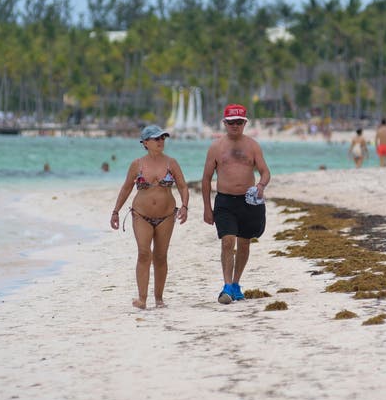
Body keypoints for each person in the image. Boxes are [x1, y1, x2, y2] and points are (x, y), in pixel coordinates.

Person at [110, 125, 189, 309]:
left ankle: (159, 298)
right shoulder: (137, 164)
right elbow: (126, 188)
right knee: (144, 253)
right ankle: (142, 299)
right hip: (141, 215)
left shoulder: (172, 163)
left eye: (163, 138)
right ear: (145, 143)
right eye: (156, 139)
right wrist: (116, 211)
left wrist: (185, 206)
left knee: (161, 256)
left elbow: (183, 187)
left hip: (167, 216)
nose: (161, 141)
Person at [202, 104, 270, 305]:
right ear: (225, 123)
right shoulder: (216, 147)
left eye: (239, 122)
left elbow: (265, 171)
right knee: (227, 241)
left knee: (244, 243)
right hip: (225, 201)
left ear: (244, 123)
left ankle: (236, 284)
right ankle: (226, 285)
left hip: (249, 201)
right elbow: (206, 179)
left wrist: (261, 185)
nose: (235, 125)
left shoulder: (253, 146)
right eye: (231, 122)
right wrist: (207, 208)